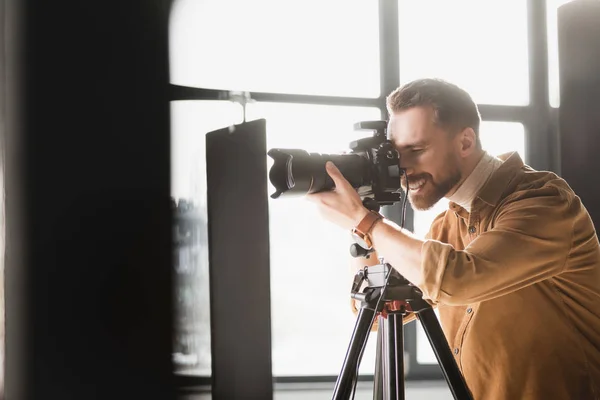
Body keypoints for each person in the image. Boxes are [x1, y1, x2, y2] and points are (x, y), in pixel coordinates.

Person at [307, 78, 600, 399]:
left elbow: (457, 277)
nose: (403, 168)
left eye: (416, 150)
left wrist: (365, 221)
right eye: (396, 154)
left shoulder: (544, 203)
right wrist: (360, 221)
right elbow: (377, 313)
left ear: (464, 142)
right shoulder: (447, 226)